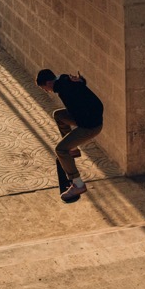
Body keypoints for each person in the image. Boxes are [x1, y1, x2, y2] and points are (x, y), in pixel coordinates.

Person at [36, 68, 103, 202]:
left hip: (90, 126)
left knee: (60, 150)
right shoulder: (64, 79)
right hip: (89, 118)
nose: (47, 91)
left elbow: (77, 98)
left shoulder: (64, 90)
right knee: (58, 115)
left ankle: (78, 184)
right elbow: (79, 85)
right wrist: (81, 81)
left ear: (49, 83)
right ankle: (72, 149)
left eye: (45, 88)